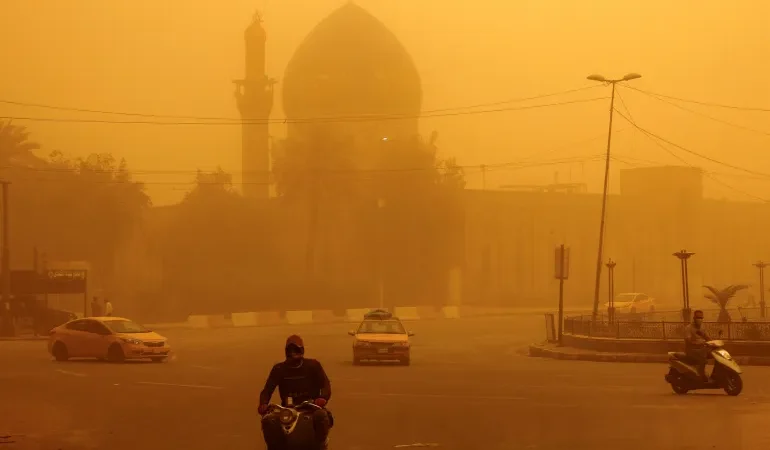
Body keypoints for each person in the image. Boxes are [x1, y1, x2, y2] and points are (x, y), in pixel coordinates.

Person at [258, 335, 332, 450]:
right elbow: (267, 390)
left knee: (321, 416)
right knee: (268, 420)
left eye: (296, 350)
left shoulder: (313, 365)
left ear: (302, 350)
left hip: (311, 407)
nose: (293, 353)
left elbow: (325, 385)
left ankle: (320, 445)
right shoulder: (279, 369)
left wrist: (323, 398)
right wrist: (263, 404)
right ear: (286, 352)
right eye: (290, 350)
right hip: (286, 410)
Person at [684, 310, 711, 381]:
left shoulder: (702, 327)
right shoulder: (688, 328)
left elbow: (707, 337)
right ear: (694, 318)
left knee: (713, 354)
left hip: (701, 349)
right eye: (698, 317)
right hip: (691, 350)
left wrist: (714, 342)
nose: (700, 319)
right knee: (703, 357)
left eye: (701, 318)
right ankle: (700, 375)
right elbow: (688, 340)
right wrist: (697, 343)